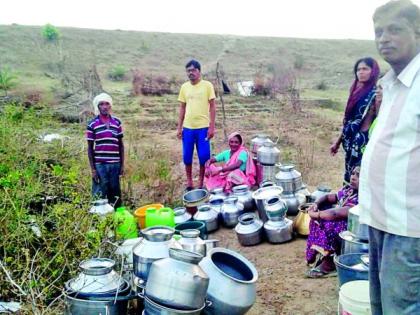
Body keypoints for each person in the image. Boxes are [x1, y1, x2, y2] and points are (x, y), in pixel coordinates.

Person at [359, 1, 420, 313]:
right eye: (378, 31)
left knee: (403, 308)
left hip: (409, 227)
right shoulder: (391, 83)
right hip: (379, 218)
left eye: (394, 29)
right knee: (381, 305)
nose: (383, 38)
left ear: (418, 32)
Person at [330, 57, 380, 184]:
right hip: (350, 142)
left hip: (364, 143)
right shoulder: (355, 92)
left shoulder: (376, 94)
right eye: (358, 69)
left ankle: (357, 202)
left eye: (365, 69)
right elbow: (348, 121)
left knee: (360, 178)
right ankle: (346, 200)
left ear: (373, 71)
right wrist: (337, 142)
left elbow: (380, 121)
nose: (361, 72)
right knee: (349, 175)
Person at [305, 166, 360, 278]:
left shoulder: (362, 198)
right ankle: (326, 254)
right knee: (321, 215)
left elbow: (336, 214)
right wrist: (316, 204)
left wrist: (316, 215)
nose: (353, 177)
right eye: (353, 173)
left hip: (354, 231)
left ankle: (331, 261)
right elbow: (329, 197)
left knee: (328, 222)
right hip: (341, 225)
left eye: (359, 176)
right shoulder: (348, 190)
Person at [177, 60, 216, 191]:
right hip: (188, 128)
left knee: (204, 156)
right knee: (187, 156)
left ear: (199, 71)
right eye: (188, 71)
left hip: (203, 128)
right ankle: (189, 182)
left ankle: (200, 182)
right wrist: (179, 127)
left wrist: (212, 127)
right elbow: (182, 108)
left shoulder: (207, 86)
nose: (190, 73)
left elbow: (212, 106)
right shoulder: (184, 87)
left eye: (193, 70)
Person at [86, 93, 124, 208]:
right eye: (101, 104)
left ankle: (118, 219)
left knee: (115, 193)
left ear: (110, 106)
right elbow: (90, 148)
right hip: (100, 165)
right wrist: (93, 169)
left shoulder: (117, 123)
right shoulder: (92, 124)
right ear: (98, 107)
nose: (104, 106)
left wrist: (122, 165)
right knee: (100, 194)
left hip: (115, 164)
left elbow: (121, 145)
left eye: (107, 103)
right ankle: (100, 221)